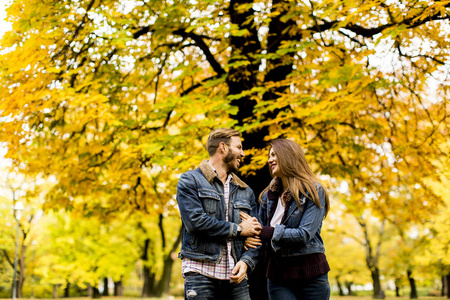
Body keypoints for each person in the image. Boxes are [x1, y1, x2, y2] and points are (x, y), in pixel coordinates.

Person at [176, 128, 262, 300]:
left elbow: (255, 235)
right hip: (200, 271)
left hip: (236, 277)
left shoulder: (246, 191)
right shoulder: (190, 181)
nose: (243, 153)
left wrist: (246, 262)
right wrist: (238, 229)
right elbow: (195, 222)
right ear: (223, 147)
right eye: (239, 147)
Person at [242, 138, 331, 300]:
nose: (270, 160)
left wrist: (262, 231)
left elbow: (303, 234)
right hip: (278, 277)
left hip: (311, 275)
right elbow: (258, 237)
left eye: (274, 155)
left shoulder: (313, 190)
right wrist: (248, 240)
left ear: (288, 155)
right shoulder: (267, 196)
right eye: (269, 156)